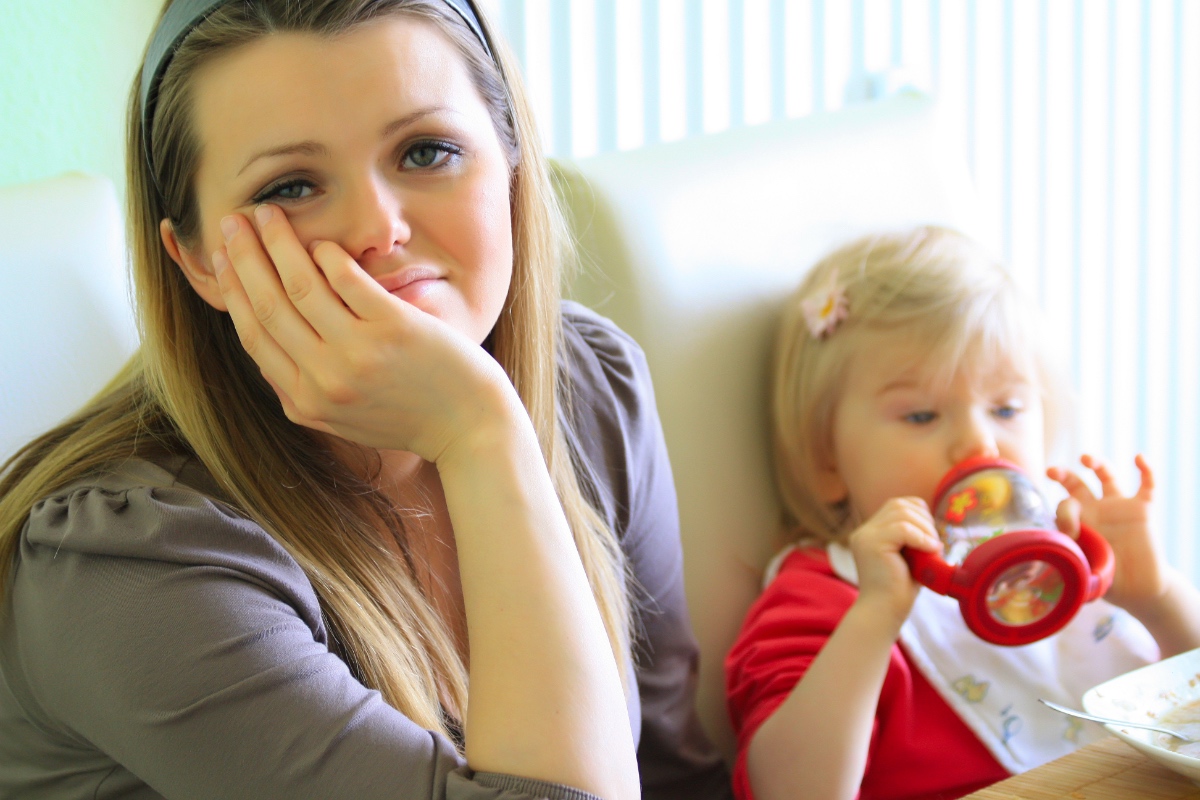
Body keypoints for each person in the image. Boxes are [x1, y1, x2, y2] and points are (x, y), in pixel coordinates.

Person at [0, 1, 733, 798]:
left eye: (427, 151)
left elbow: (671, 770)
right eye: (292, 185)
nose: (378, 228)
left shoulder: (591, 387)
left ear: (512, 159)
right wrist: (480, 435)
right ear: (200, 259)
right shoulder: (119, 568)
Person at [724, 226, 1200, 800]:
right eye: (922, 416)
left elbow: (1184, 722)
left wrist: (1160, 600)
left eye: (1006, 408)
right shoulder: (824, 597)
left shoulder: (1069, 556)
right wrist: (875, 617)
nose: (981, 445)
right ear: (828, 460)